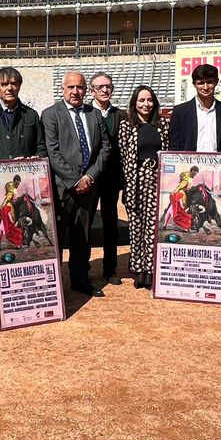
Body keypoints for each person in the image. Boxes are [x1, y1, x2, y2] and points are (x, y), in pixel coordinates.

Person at [42, 71, 112, 296]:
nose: (75, 91)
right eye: (71, 87)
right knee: (59, 238)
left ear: (85, 90)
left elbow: (105, 148)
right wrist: (74, 180)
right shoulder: (51, 114)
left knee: (83, 236)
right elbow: (52, 153)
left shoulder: (94, 115)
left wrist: (89, 177)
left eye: (80, 87)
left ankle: (80, 279)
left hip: (89, 188)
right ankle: (55, 285)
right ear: (62, 89)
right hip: (63, 188)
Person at [0, 66, 46, 298]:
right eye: (4, 84)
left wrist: (30, 161)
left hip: (23, 189)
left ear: (19, 86)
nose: (10, 88)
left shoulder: (31, 115)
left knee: (24, 232)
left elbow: (41, 148)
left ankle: (24, 283)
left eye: (14, 83)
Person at [118, 85, 172, 289]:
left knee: (152, 227)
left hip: (157, 180)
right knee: (136, 227)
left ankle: (150, 270)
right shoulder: (125, 126)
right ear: (134, 103)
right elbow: (124, 159)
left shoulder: (163, 125)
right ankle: (139, 270)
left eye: (149, 100)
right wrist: (126, 186)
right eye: (141, 100)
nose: (145, 104)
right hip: (135, 182)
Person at [89, 72, 127, 284]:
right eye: (100, 87)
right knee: (84, 224)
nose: (104, 90)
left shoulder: (121, 115)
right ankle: (83, 268)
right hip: (90, 177)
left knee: (110, 223)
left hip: (112, 177)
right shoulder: (84, 113)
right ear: (92, 90)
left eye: (108, 86)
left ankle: (110, 269)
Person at [169, 63, 221, 153]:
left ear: (216, 82)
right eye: (201, 83)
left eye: (209, 82)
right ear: (194, 84)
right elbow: (174, 146)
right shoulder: (180, 112)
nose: (205, 87)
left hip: (219, 165)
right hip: (189, 165)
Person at [161, 166, 197, 232]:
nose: (194, 175)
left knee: (171, 209)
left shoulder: (187, 177)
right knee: (180, 211)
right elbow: (182, 186)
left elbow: (181, 186)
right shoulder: (187, 180)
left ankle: (165, 224)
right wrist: (175, 192)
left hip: (177, 195)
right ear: (191, 171)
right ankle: (185, 227)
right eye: (194, 173)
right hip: (180, 195)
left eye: (195, 174)